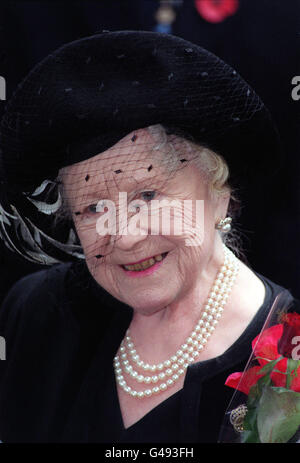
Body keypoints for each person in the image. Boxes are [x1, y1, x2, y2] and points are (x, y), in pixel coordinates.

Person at [0, 30, 298, 443]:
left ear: (219, 192)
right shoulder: (35, 313)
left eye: (147, 194)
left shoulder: (290, 364)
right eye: (93, 208)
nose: (123, 236)